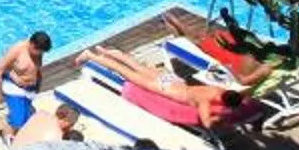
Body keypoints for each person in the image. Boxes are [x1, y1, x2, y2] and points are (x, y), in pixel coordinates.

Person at [88, 43, 255, 127]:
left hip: (173, 81)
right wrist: (221, 116)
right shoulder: (205, 101)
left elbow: (242, 94)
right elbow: (206, 123)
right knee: (127, 73)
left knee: (136, 66)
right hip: (166, 88)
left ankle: (109, 52)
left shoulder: (219, 90)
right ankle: (91, 56)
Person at [0, 30, 52, 133]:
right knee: (17, 121)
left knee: (26, 120)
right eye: (39, 51)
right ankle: (7, 138)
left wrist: (38, 85)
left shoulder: (38, 49)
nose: (40, 54)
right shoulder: (18, 49)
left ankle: (15, 121)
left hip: (30, 90)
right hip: (14, 88)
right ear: (32, 44)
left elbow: (35, 69)